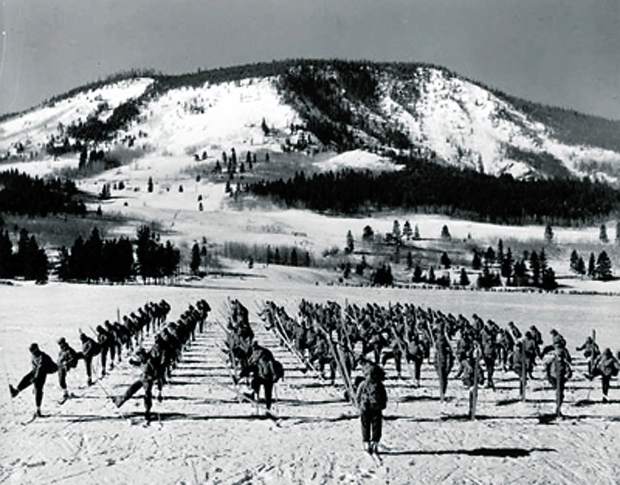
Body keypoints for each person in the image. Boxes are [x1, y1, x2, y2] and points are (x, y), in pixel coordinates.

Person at [113, 347, 162, 423]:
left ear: (143, 354)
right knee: (131, 390)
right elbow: (140, 363)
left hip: (148, 381)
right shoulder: (143, 360)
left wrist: (159, 389)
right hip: (142, 378)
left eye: (139, 356)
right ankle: (119, 401)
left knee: (147, 395)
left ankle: (147, 412)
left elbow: (158, 374)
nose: (139, 358)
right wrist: (133, 362)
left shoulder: (150, 361)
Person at [9, 343, 58, 417]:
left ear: (36, 349)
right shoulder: (34, 355)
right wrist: (32, 377)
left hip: (42, 372)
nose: (31, 352)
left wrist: (35, 379)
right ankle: (16, 391)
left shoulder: (43, 357)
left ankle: (38, 410)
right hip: (36, 371)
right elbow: (35, 367)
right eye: (30, 351)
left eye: (32, 350)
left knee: (38, 390)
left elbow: (40, 368)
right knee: (26, 379)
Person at [356, 364, 388, 455]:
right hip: (372, 408)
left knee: (369, 425)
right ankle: (372, 442)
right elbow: (384, 396)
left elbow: (358, 395)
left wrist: (358, 404)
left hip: (368, 408)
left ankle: (370, 442)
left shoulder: (364, 384)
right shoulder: (379, 385)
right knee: (375, 425)